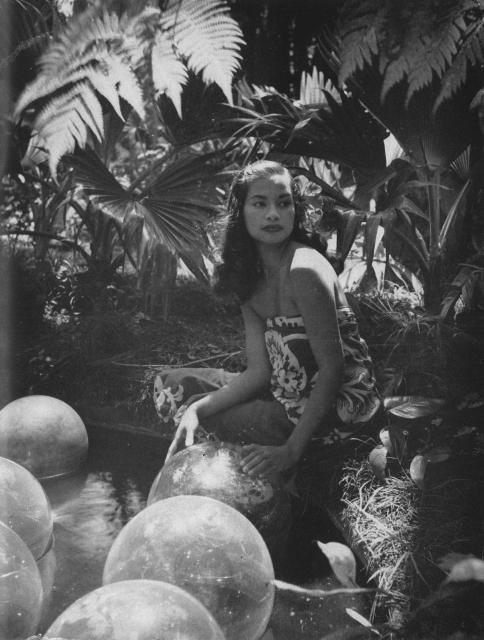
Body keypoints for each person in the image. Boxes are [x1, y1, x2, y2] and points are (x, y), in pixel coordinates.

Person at [154, 159, 380, 478]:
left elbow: (333, 370)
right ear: (241, 213)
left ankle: (271, 478)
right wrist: (196, 409)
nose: (273, 214)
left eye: (283, 203)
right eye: (260, 204)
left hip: (335, 409)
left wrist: (290, 452)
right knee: (172, 387)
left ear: (295, 211)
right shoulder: (249, 278)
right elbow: (259, 372)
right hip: (283, 391)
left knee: (211, 422)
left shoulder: (304, 269)